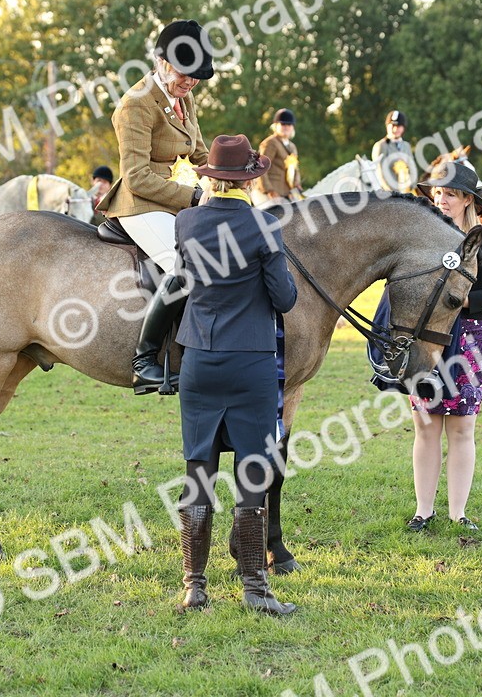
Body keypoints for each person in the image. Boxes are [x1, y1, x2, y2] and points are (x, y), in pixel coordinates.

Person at [174, 134, 298, 616]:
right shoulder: (266, 226)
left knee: (197, 473)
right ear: (249, 180)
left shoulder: (186, 221)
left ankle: (195, 587)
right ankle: (256, 591)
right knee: (253, 473)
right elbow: (284, 299)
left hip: (199, 360)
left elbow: (182, 282)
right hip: (251, 363)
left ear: (212, 179)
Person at [96, 19, 216, 394]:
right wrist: (195, 197)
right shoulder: (135, 104)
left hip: (178, 199)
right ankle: (144, 362)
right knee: (189, 267)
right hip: (141, 205)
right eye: (186, 74)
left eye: (197, 76)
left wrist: (225, 176)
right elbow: (136, 177)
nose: (191, 82)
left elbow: (197, 151)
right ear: (162, 61)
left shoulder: (184, 97)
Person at [406, 162, 482, 533]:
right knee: (426, 426)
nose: (441, 199)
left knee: (462, 429)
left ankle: (458, 513)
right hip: (427, 339)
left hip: (469, 339)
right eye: (437, 192)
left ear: (467, 199)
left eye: (449, 193)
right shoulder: (421, 235)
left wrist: (453, 299)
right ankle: (423, 512)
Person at [256, 109, 302, 203]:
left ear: (293, 127)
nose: (286, 127)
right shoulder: (270, 143)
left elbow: (295, 170)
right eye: (283, 124)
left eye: (289, 125)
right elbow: (260, 167)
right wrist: (269, 190)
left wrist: (296, 184)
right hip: (269, 193)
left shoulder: (292, 146)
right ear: (276, 126)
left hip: (286, 192)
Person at [371, 109, 415, 191]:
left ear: (403, 128)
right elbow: (380, 173)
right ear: (387, 126)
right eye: (392, 126)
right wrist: (391, 194)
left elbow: (412, 169)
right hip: (387, 194)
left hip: (406, 193)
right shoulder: (381, 146)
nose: (395, 129)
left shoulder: (406, 146)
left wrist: (412, 188)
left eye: (398, 126)